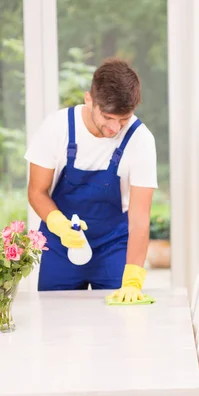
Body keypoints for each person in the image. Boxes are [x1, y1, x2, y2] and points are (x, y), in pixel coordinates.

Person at [25, 58, 158, 303]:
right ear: (89, 99)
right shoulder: (57, 128)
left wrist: (133, 279)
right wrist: (58, 224)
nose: (115, 128)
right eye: (108, 117)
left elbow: (139, 218)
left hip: (113, 247)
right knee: (54, 324)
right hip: (60, 247)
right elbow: (36, 191)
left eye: (124, 119)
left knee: (120, 323)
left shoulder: (141, 140)